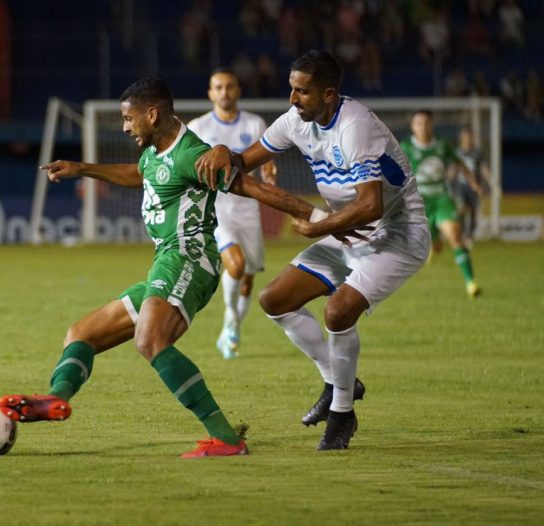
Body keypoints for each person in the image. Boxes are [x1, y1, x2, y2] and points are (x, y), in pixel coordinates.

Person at [0, 78, 248, 458]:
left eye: (129, 118)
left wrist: (307, 213)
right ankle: (55, 398)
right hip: (165, 259)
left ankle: (226, 438)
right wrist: (82, 168)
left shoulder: (190, 152)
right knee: (81, 333)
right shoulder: (153, 151)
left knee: (149, 340)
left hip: (191, 255)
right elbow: (141, 174)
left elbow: (243, 184)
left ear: (152, 113)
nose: (125, 126)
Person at [195, 50, 431, 450]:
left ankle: (341, 414)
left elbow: (371, 205)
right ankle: (338, 381)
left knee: (337, 311)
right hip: (346, 231)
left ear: (329, 95)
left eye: (301, 92)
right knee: (275, 299)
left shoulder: (356, 127)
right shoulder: (295, 121)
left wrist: (317, 225)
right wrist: (224, 154)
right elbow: (244, 161)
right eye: (291, 89)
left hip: (396, 234)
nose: (292, 99)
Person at [187, 68, 277, 359]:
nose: (224, 92)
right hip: (217, 210)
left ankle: (232, 329)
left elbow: (266, 164)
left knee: (248, 276)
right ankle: (229, 321)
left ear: (238, 91)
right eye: (219, 87)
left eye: (230, 87)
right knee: (235, 265)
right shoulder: (198, 128)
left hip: (248, 210)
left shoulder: (254, 124)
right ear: (210, 93)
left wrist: (270, 174)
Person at [400, 111, 482, 298]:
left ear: (432, 125)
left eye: (426, 123)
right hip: (420, 203)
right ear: (413, 127)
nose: (423, 126)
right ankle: (434, 244)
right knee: (435, 245)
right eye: (418, 123)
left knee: (455, 236)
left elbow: (459, 163)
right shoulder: (405, 147)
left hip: (442, 198)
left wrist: (473, 182)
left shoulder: (442, 145)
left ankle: (471, 282)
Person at [454, 126, 491, 246]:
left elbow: (484, 168)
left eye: (469, 137)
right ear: (461, 138)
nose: (467, 139)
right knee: (461, 208)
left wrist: (491, 182)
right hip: (461, 186)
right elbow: (452, 168)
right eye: (464, 137)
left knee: (473, 212)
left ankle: (470, 235)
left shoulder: (477, 153)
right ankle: (460, 234)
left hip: (475, 187)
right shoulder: (457, 152)